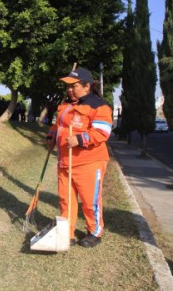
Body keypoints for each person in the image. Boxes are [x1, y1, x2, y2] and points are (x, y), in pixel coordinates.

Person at [46, 67, 112, 248]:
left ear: (86, 86)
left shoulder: (99, 106)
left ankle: (95, 232)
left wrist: (80, 139)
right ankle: (67, 232)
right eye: (67, 86)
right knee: (66, 199)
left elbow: (102, 132)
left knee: (90, 201)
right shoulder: (65, 106)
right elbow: (58, 125)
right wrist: (50, 137)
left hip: (89, 162)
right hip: (65, 162)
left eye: (73, 86)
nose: (69, 89)